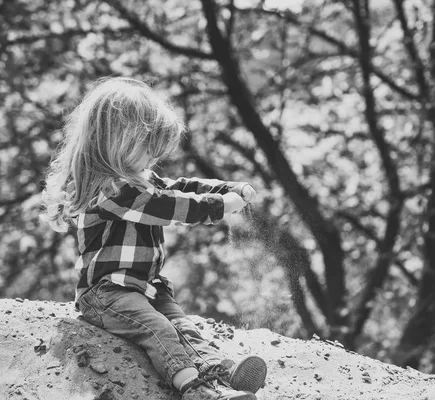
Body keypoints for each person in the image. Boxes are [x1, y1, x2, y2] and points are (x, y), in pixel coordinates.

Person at [41, 77, 267, 400]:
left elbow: (181, 188)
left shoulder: (141, 179)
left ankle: (220, 370)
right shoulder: (110, 190)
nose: (154, 159)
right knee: (157, 328)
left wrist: (226, 189)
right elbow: (167, 206)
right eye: (150, 149)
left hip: (148, 286)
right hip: (107, 294)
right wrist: (219, 207)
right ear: (119, 141)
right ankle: (195, 389)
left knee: (181, 325)